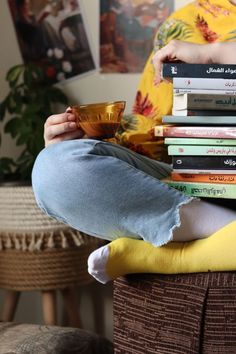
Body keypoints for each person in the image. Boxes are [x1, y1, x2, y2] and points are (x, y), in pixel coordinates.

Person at [32, 0, 236, 283]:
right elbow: (151, 128)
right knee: (56, 169)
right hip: (196, 181)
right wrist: (84, 142)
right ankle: (214, 227)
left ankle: (180, 255)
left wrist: (213, 54)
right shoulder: (185, 23)